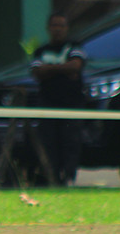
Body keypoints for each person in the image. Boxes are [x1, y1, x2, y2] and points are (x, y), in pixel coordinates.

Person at [29, 12, 86, 185]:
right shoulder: (41, 51)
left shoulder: (74, 46)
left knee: (70, 142)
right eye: (55, 25)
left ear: (67, 28)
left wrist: (50, 69)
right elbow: (37, 72)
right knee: (49, 143)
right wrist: (63, 69)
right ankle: (52, 178)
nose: (58, 29)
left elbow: (76, 66)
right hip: (48, 105)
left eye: (61, 25)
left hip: (72, 105)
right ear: (48, 28)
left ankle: (68, 177)